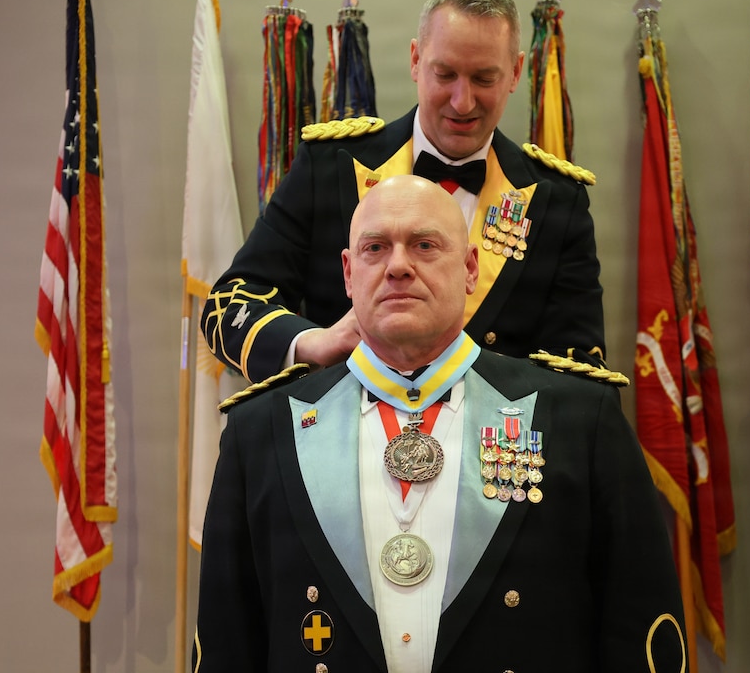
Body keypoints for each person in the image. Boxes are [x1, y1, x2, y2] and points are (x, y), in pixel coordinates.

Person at [193, 176, 685, 672]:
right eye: (375, 248)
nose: (399, 266)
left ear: (470, 268)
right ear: (348, 272)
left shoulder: (581, 421)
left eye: (425, 245)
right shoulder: (259, 433)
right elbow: (227, 645)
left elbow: (637, 629)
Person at [201, 0, 605, 384]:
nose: (462, 102)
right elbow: (227, 307)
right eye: (444, 74)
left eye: (484, 78)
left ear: (517, 72)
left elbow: (581, 374)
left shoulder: (556, 198)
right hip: (341, 440)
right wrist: (311, 341)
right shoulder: (330, 166)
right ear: (415, 60)